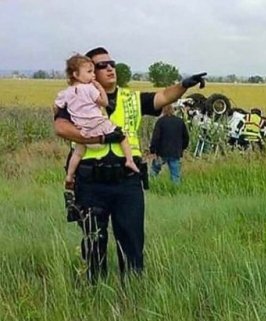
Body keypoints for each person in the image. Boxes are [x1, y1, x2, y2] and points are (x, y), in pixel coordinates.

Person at [53, 46, 206, 281]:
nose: (109, 68)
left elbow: (164, 96)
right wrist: (100, 138)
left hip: (127, 181)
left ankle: (132, 294)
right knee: (94, 241)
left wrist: (184, 85)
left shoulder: (131, 98)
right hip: (91, 181)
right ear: (89, 72)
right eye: (101, 66)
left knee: (132, 241)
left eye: (111, 63)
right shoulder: (76, 96)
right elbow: (61, 127)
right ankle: (94, 292)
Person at [55, 54, 140, 192]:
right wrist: (100, 88)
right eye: (89, 72)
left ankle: (70, 176)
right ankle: (129, 160)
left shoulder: (66, 93)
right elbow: (104, 102)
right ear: (76, 74)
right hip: (98, 125)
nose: (93, 76)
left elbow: (56, 107)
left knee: (77, 153)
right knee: (121, 135)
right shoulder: (89, 89)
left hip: (82, 130)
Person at [149, 104, 190, 183]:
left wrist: (153, 150)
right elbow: (186, 137)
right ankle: (175, 191)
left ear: (163, 111)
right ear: (173, 110)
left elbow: (155, 138)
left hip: (161, 152)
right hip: (175, 152)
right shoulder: (180, 122)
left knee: (154, 170)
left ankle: (150, 186)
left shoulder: (160, 122)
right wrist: (182, 148)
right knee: (175, 175)